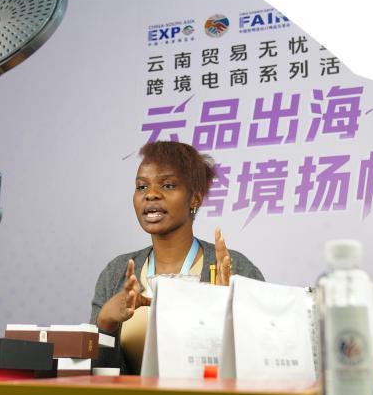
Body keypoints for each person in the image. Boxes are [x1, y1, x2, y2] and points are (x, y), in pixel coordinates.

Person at [89, 141, 264, 374]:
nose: (151, 194)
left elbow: (262, 362)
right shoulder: (116, 273)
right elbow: (94, 376)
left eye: (168, 185)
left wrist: (229, 321)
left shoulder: (234, 269)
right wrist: (106, 325)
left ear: (195, 198)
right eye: (142, 186)